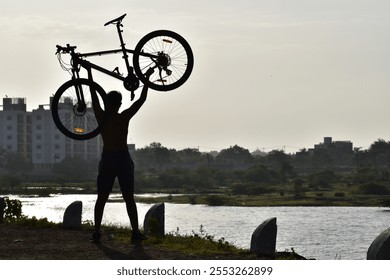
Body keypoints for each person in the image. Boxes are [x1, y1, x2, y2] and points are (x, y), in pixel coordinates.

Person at [90, 69, 154, 244]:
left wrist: (89, 74)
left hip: (110, 158)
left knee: (103, 197)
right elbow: (141, 100)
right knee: (127, 197)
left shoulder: (102, 116)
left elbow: (94, 97)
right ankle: (134, 232)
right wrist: (146, 80)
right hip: (121, 159)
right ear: (118, 104)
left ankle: (97, 232)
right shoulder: (123, 116)